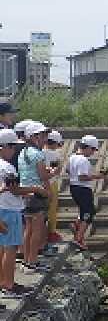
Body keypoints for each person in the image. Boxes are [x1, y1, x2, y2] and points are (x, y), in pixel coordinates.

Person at [0, 128, 46, 297]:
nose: (13, 150)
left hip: (2, 209)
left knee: (2, 249)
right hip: (10, 211)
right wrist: (34, 190)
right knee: (10, 249)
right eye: (11, 147)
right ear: (2, 147)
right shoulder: (7, 168)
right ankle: (9, 284)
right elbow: (14, 190)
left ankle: (3, 281)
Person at [18, 121, 50, 269]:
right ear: (33, 137)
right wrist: (52, 175)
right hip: (37, 194)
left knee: (28, 229)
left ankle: (26, 260)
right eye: (42, 135)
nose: (45, 138)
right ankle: (33, 261)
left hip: (25, 194)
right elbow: (43, 176)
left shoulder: (22, 153)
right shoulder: (38, 154)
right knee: (37, 230)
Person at [67, 135, 106, 250]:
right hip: (83, 188)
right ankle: (78, 238)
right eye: (93, 149)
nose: (93, 152)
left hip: (73, 187)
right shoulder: (83, 160)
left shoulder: (72, 157)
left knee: (84, 211)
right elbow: (82, 177)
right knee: (89, 213)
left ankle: (76, 225)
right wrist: (98, 176)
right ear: (87, 147)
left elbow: (68, 171)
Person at [44, 130, 64, 244]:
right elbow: (57, 170)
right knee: (52, 208)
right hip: (51, 183)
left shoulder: (40, 151)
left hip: (40, 183)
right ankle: (51, 232)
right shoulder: (54, 154)